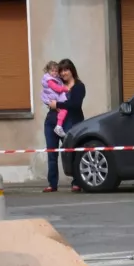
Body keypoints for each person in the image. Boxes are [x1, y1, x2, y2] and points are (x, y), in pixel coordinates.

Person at [43, 58, 85, 193]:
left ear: (72, 70)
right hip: (52, 120)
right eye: (61, 71)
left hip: (70, 121)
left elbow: (75, 105)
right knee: (51, 153)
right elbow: (47, 95)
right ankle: (52, 184)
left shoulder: (78, 86)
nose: (63, 73)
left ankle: (76, 182)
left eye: (66, 70)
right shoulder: (57, 83)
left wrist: (57, 105)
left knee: (71, 151)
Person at [41, 61, 69, 138]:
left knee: (63, 109)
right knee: (64, 110)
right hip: (53, 98)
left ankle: (59, 126)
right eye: (52, 71)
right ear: (48, 71)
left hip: (54, 99)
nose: (54, 73)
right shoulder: (49, 80)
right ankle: (59, 126)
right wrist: (65, 89)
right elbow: (56, 88)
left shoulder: (56, 78)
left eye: (56, 71)